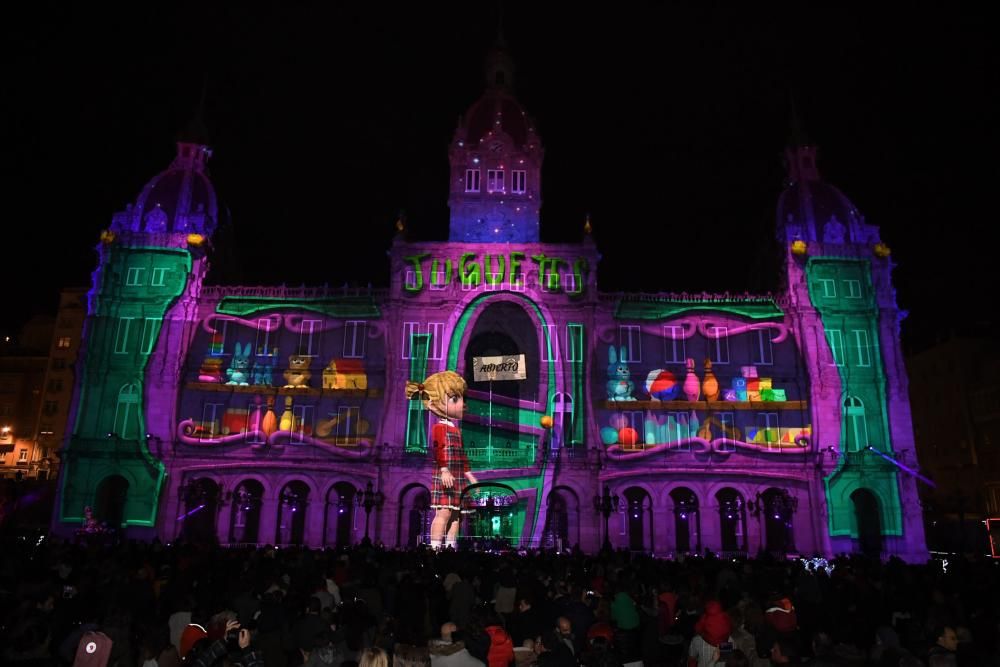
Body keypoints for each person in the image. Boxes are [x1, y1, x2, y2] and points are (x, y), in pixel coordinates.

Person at [406, 371, 477, 550]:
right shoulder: (439, 428)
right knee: (443, 513)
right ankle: (436, 549)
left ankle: (451, 547)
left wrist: (469, 474)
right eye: (454, 399)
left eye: (461, 399)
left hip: (458, 475)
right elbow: (438, 449)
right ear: (434, 404)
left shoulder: (456, 430)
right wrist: (444, 469)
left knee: (456, 515)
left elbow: (461, 454)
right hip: (447, 474)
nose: (462, 404)